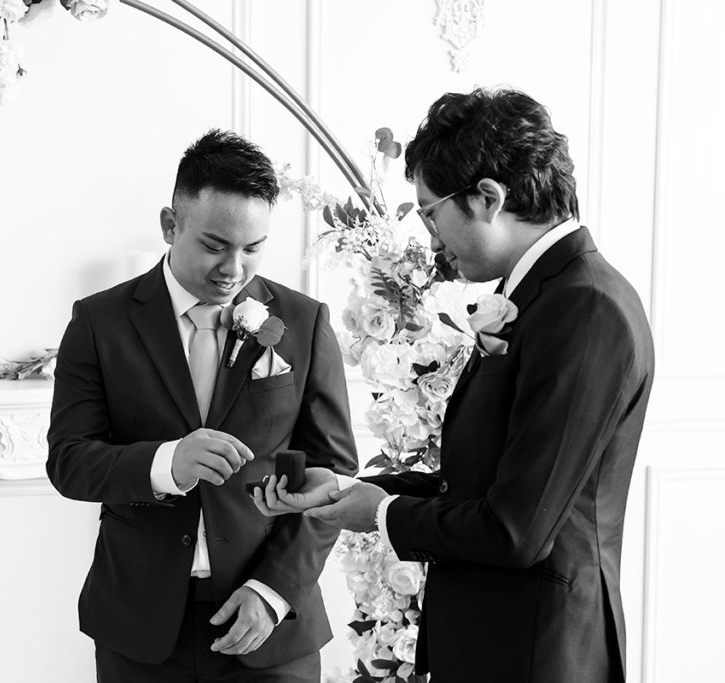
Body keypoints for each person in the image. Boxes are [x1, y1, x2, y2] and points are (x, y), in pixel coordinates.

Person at [254, 88, 656, 683]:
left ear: (488, 198)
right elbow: (482, 481)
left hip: (537, 653)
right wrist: (348, 489)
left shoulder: (587, 307)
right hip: (496, 642)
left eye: (428, 211)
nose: (428, 234)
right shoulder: (546, 293)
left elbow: (515, 531)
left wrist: (385, 514)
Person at [46, 129, 359, 682]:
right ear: (170, 225)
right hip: (139, 628)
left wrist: (275, 590)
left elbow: (331, 474)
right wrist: (166, 463)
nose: (234, 270)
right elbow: (69, 461)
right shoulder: (99, 322)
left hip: (271, 629)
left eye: (253, 249)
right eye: (215, 245)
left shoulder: (305, 323)